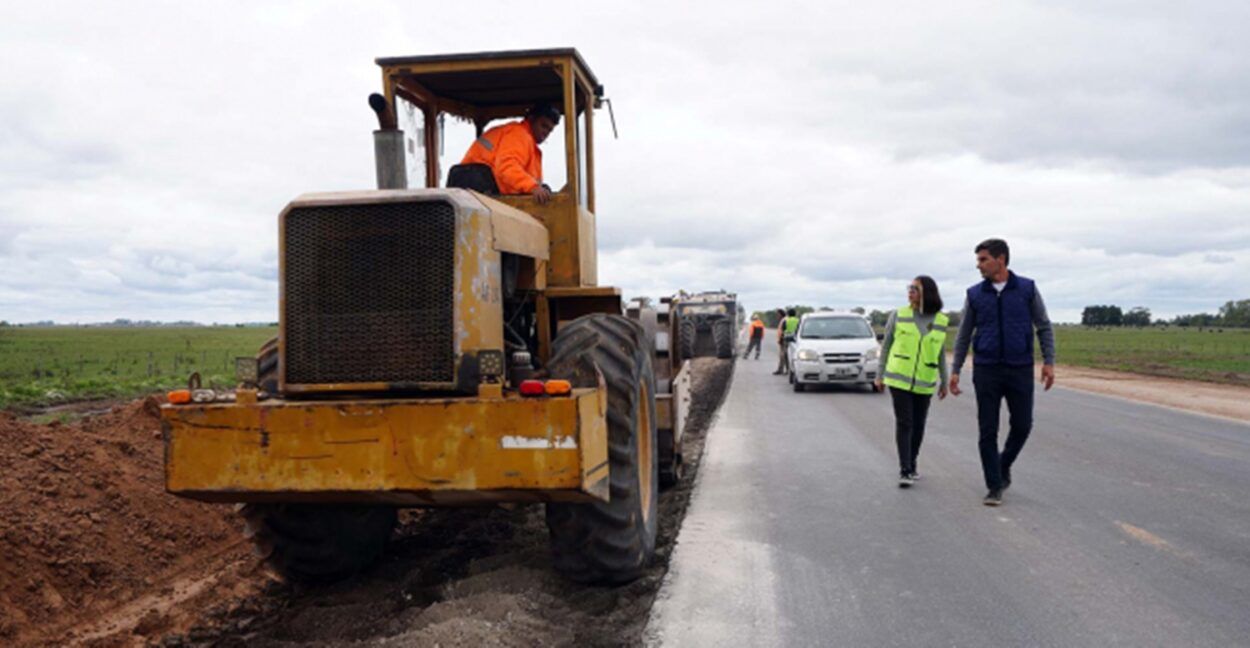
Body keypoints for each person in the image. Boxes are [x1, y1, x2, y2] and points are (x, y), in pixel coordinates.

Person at [949, 238, 1056, 506]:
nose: (979, 266)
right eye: (978, 260)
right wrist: (955, 369)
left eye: (983, 260)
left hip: (1019, 368)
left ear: (1001, 259)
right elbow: (963, 335)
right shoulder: (975, 294)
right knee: (988, 430)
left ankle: (1002, 463)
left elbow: (1043, 325)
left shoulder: (1027, 289)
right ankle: (994, 485)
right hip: (986, 369)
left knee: (1022, 425)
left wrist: (1049, 361)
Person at [876, 276, 949, 488]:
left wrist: (944, 380)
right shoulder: (899, 315)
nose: (910, 292)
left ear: (927, 292)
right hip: (898, 378)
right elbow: (887, 346)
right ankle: (905, 469)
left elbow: (940, 353)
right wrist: (880, 375)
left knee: (919, 424)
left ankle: (912, 462)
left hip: (925, 380)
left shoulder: (941, 321)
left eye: (915, 289)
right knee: (905, 422)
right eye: (909, 288)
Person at [459, 103, 560, 204]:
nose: (546, 132)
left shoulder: (528, 144)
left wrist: (538, 188)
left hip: (479, 190)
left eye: (550, 130)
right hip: (476, 190)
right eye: (543, 125)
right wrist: (533, 187)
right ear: (531, 119)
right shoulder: (519, 135)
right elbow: (506, 167)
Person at [772, 308, 791, 375]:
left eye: (778, 314)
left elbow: (784, 331)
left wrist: (781, 339)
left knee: (783, 356)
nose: (777, 316)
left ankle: (781, 370)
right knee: (785, 356)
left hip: (784, 340)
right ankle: (786, 370)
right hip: (783, 339)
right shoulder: (784, 320)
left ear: (780, 314)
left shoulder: (784, 320)